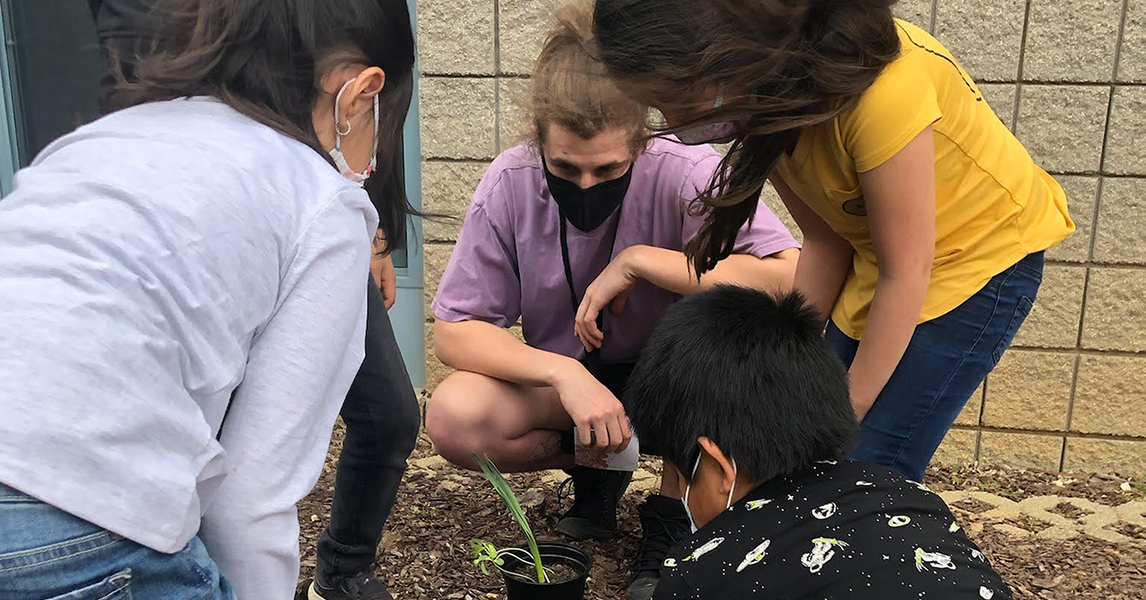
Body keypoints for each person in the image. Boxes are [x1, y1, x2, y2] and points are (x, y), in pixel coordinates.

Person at [0, 0, 416, 598]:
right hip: (73, 522)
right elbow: (249, 500)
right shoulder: (325, 203)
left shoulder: (99, 140)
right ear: (360, 93)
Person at [592, 0, 1075, 482]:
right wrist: (786, 357)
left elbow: (905, 271)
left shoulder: (886, 93)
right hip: (882, 260)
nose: (670, 118)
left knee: (867, 462)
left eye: (670, 99)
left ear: (721, 56)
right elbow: (826, 237)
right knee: (805, 442)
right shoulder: (771, 96)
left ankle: (872, 550)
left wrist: (842, 416)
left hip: (978, 263)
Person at [424, 3, 799, 598]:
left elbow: (787, 277)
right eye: (565, 168)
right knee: (454, 415)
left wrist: (641, 261)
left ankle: (672, 517)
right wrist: (563, 373)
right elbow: (455, 330)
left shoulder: (688, 169)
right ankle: (598, 472)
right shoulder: (509, 182)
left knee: (729, 373)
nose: (586, 187)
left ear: (643, 141)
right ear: (537, 142)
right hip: (580, 381)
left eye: (608, 169)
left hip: (682, 386)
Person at [625, 285, 1013, 600]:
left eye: (679, 477)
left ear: (719, 465)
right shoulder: (913, 497)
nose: (682, 495)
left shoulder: (704, 572)